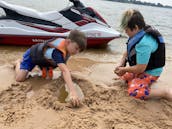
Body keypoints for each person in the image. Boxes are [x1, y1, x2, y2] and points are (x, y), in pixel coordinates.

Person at [14, 30, 87, 107]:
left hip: (46, 62)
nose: (77, 52)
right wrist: (73, 92)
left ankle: (43, 69)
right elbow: (64, 71)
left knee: (48, 79)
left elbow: (64, 63)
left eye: (79, 50)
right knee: (19, 78)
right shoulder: (57, 51)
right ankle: (18, 63)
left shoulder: (68, 49)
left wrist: (66, 70)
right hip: (32, 56)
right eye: (76, 48)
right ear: (68, 42)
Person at [114, 9, 172, 101]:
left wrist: (124, 69)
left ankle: (164, 92)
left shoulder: (144, 43)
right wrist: (121, 64)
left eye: (126, 29)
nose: (125, 32)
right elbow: (128, 51)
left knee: (134, 92)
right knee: (122, 78)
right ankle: (136, 80)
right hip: (141, 68)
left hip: (150, 72)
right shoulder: (138, 34)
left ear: (136, 27)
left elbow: (140, 68)